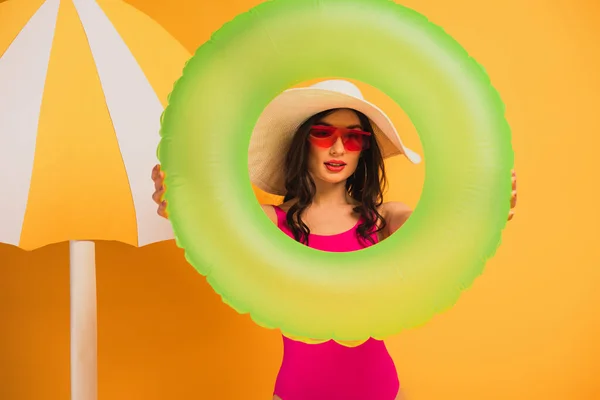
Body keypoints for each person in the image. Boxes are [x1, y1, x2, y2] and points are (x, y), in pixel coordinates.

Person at [151, 80, 518, 400]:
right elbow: (215, 221)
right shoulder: (270, 222)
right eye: (324, 133)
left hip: (379, 393)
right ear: (303, 142)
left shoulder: (384, 219)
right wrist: (182, 202)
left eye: (354, 137)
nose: (339, 148)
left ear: (365, 150)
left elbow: (433, 231)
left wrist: (478, 213)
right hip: (296, 393)